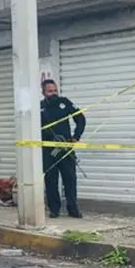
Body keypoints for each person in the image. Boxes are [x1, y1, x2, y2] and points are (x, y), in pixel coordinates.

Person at [40, 78, 85, 219]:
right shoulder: (39, 107)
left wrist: (76, 137)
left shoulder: (64, 102)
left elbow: (81, 119)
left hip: (66, 148)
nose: (53, 94)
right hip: (49, 150)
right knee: (51, 180)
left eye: (55, 90)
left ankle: (73, 208)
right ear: (43, 92)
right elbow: (34, 128)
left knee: (70, 179)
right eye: (49, 91)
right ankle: (54, 209)